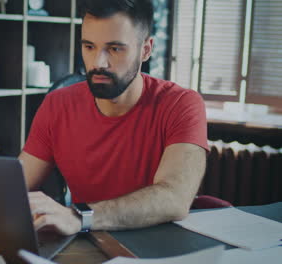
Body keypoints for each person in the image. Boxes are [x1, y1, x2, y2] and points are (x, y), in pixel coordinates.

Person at [19, 0, 209, 236]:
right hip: (89, 244)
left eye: (115, 49)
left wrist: (80, 217)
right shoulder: (57, 105)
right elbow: (14, 187)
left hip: (159, 247)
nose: (98, 63)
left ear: (146, 50)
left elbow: (174, 197)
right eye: (89, 47)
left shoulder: (181, 104)